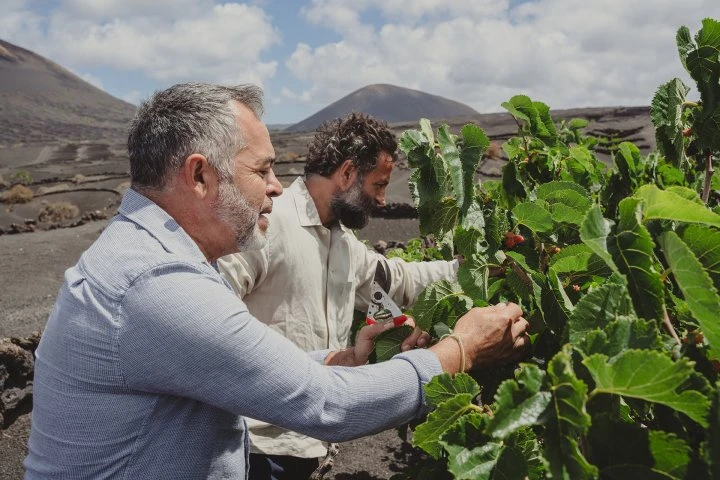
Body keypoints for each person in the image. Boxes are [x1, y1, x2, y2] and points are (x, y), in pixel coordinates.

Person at [24, 83, 529, 479]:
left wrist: (345, 359)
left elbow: (227, 355)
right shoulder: (158, 284)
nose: (273, 188)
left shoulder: (146, 256)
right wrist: (459, 350)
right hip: (274, 442)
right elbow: (325, 404)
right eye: (263, 169)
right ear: (200, 176)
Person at [217, 113, 461, 477]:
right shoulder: (269, 224)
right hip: (259, 449)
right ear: (347, 173)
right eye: (378, 185)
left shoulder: (343, 243)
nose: (381, 200)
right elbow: (215, 317)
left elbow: (400, 280)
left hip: (310, 441)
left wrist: (471, 269)